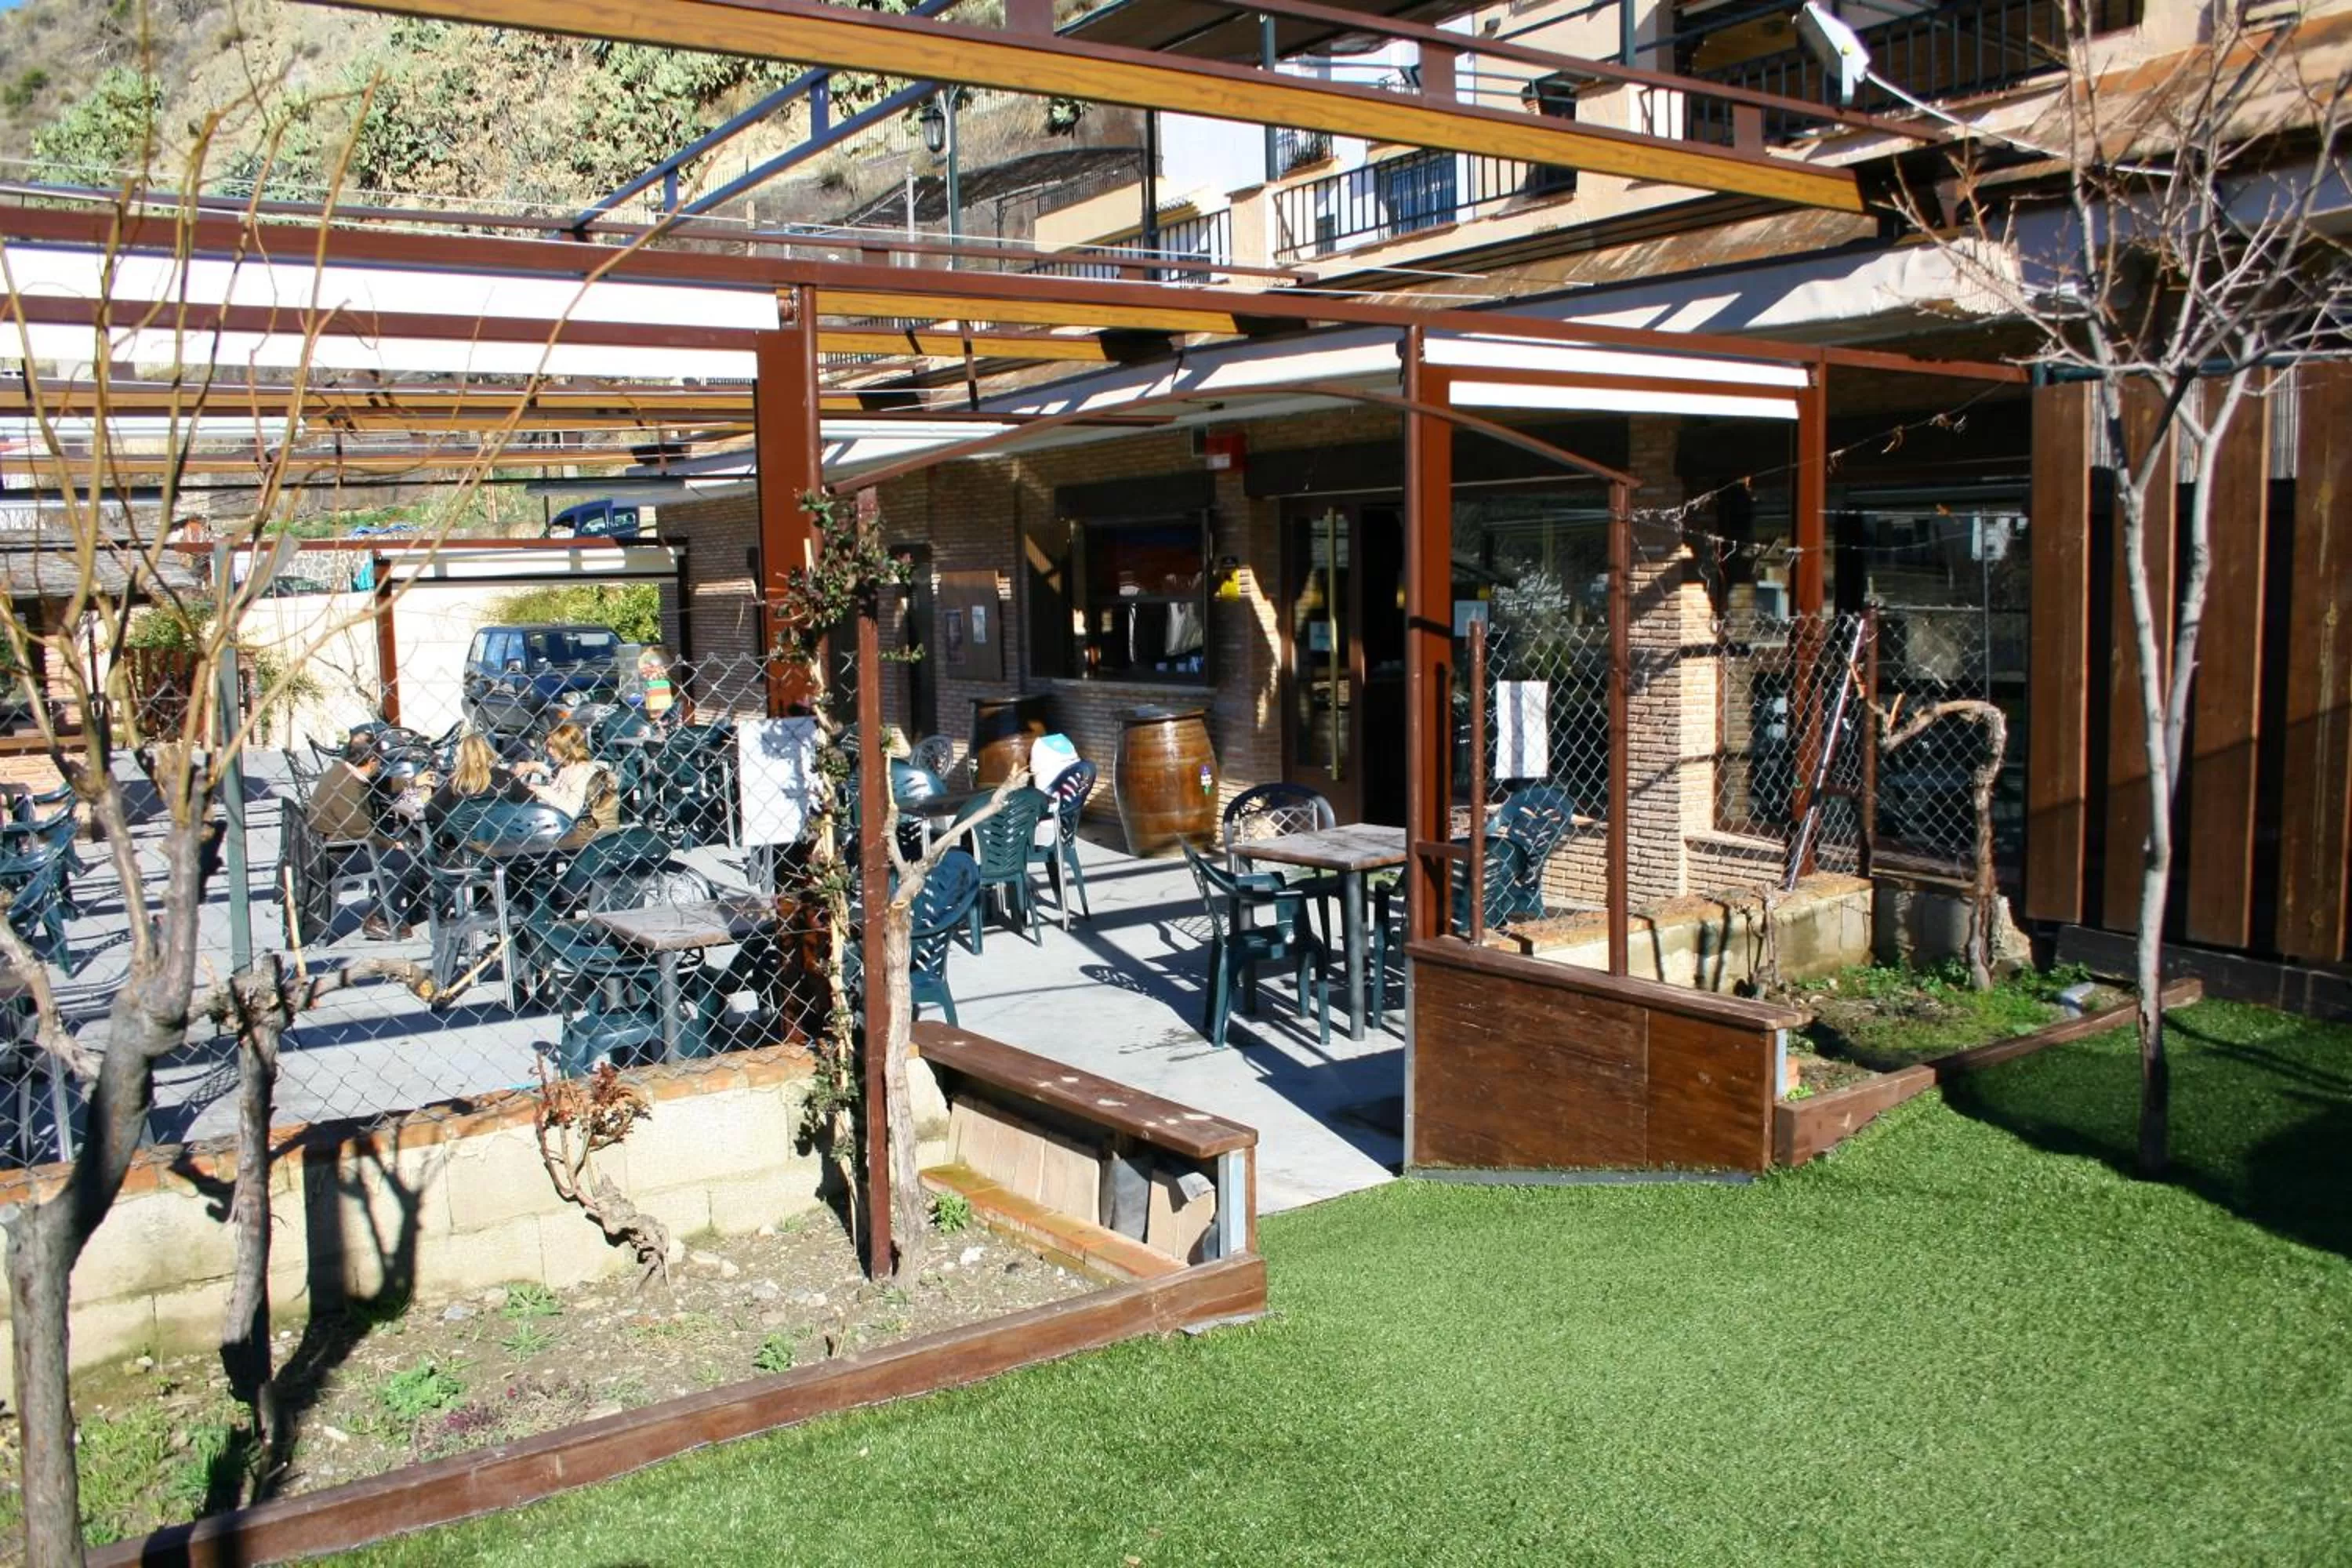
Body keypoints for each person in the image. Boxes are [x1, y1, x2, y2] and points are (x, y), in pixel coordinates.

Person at [304, 731, 423, 939]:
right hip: (339, 853)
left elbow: (379, 783)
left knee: (401, 844)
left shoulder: (345, 771)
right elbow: (362, 832)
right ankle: (378, 918)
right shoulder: (347, 788)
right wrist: (392, 844)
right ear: (372, 761)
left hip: (343, 842)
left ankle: (391, 910)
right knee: (407, 860)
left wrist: (412, 782)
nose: (381, 765)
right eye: (380, 761)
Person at [514, 722, 611, 824]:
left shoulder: (580, 771)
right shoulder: (567, 765)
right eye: (548, 746)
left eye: (553, 747)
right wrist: (532, 766)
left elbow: (571, 812)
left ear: (567, 748)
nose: (549, 751)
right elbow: (552, 773)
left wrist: (542, 791)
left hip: (564, 823)